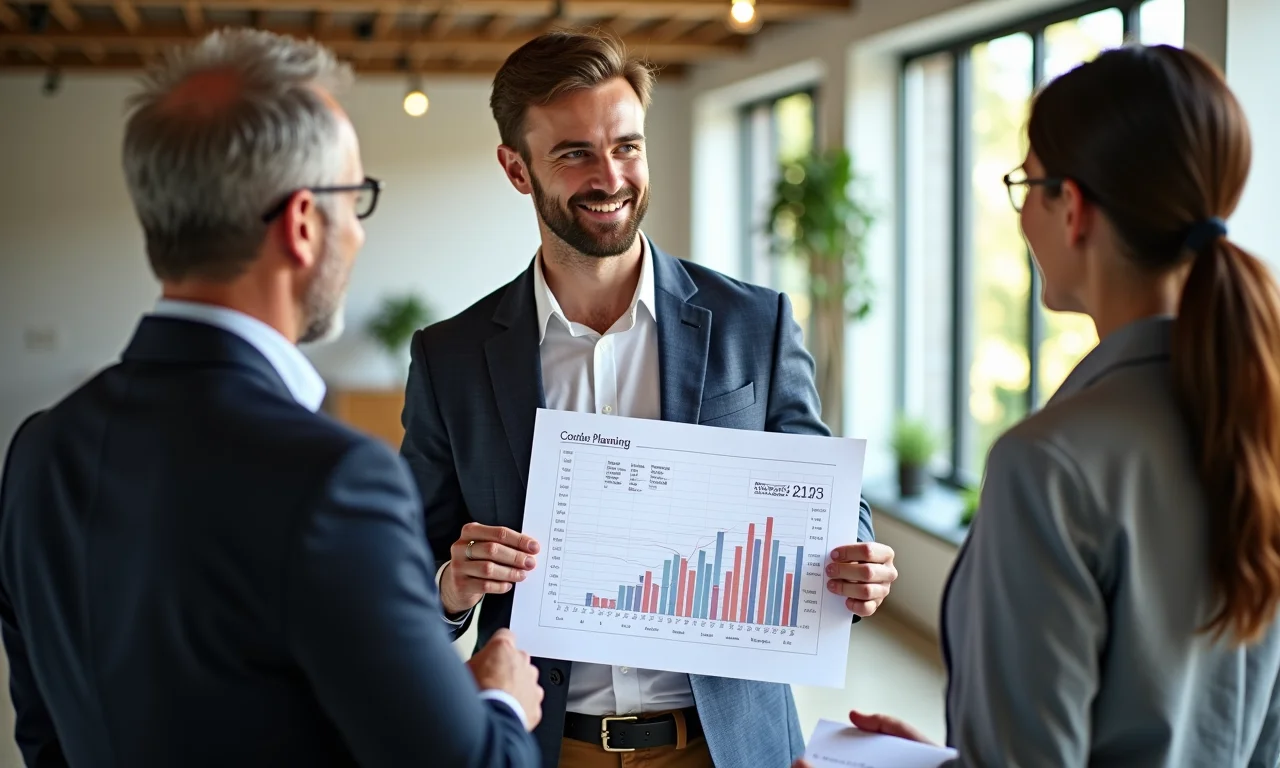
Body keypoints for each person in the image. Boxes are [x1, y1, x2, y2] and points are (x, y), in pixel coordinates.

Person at [0, 28, 543, 768]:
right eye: (355, 200)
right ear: (301, 224)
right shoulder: (337, 479)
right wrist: (500, 699)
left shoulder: (40, 449)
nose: (356, 230)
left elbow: (44, 740)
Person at [399, 29, 897, 768]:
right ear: (515, 168)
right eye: (574, 153)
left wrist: (859, 565)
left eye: (627, 146)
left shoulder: (754, 323)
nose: (610, 176)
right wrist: (451, 586)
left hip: (726, 744)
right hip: (549, 747)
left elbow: (826, 500)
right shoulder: (450, 357)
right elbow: (404, 572)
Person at [797, 43, 1280, 768]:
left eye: (1026, 184)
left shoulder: (1050, 464)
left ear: (1073, 208)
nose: (1022, 214)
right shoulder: (1257, 417)